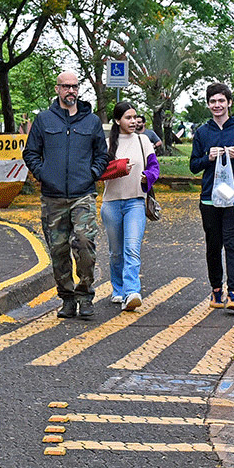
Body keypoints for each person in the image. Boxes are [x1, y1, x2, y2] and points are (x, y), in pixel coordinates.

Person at [22, 71, 108, 319]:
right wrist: (43, 174)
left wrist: (91, 173)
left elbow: (102, 155)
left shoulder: (90, 121)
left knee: (84, 243)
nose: (71, 91)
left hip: (83, 194)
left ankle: (85, 294)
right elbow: (31, 153)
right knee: (58, 250)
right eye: (66, 86)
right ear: (57, 89)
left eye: (75, 86)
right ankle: (67, 298)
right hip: (53, 197)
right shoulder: (44, 120)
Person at [189, 82, 234, 314]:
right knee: (213, 246)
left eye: (221, 101)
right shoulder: (202, 132)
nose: (217, 105)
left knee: (232, 244)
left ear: (229, 102)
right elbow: (193, 166)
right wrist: (207, 158)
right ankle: (216, 289)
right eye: (212, 101)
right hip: (209, 198)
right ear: (208, 104)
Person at [102, 102, 160, 312]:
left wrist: (148, 177)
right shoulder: (107, 143)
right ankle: (118, 289)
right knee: (116, 252)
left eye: (135, 117)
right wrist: (118, 168)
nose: (134, 121)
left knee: (132, 249)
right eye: (128, 117)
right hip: (111, 203)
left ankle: (132, 292)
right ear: (117, 120)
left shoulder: (143, 140)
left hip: (136, 201)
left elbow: (154, 167)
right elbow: (98, 171)